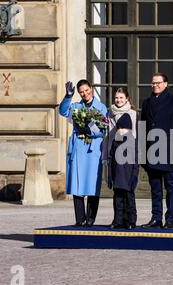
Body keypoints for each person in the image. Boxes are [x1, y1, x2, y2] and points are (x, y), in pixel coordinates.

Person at [59, 80, 107, 227]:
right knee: (77, 183)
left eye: (87, 90)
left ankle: (91, 219)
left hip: (93, 150)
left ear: (91, 89)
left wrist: (91, 131)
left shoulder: (100, 107)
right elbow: (63, 111)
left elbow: (103, 129)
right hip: (79, 148)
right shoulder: (76, 106)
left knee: (92, 184)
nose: (85, 93)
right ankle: (80, 218)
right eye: (81, 92)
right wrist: (68, 96)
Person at [140, 73, 173, 229]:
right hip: (151, 151)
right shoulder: (146, 103)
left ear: (165, 84)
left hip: (168, 151)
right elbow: (142, 129)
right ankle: (156, 218)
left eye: (158, 83)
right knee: (155, 188)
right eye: (153, 83)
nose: (155, 85)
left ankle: (170, 218)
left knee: (170, 186)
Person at [103, 88, 139, 229]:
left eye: (121, 97)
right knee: (117, 197)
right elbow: (108, 135)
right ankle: (118, 220)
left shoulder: (132, 114)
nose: (118, 100)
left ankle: (130, 220)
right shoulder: (110, 112)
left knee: (129, 197)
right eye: (116, 97)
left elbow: (135, 134)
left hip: (128, 153)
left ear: (127, 98)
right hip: (115, 148)